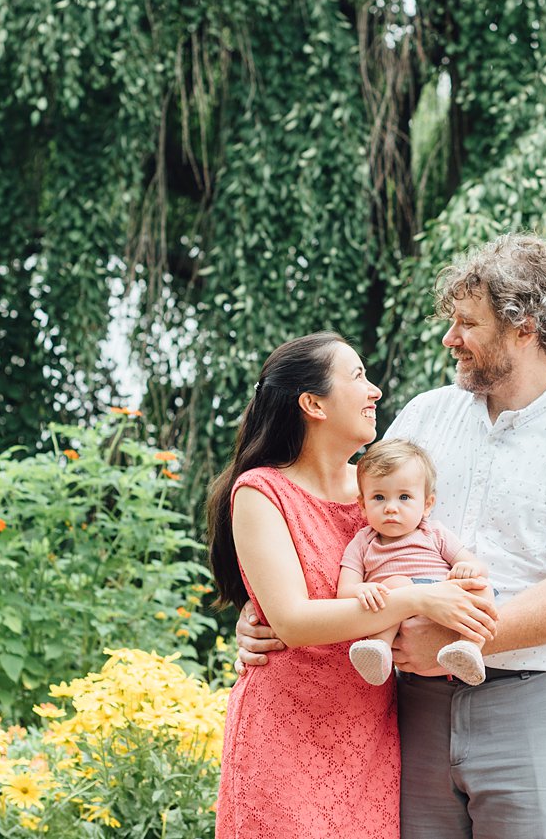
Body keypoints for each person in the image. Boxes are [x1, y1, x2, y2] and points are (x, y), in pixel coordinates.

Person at [238, 234, 546, 839]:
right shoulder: (425, 417)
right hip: (411, 709)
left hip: (532, 705)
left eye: (466, 324)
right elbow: (342, 524)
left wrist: (460, 641)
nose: (449, 338)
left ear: (523, 328)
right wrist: (268, 609)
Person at [207, 331, 499, 839]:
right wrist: (413, 597)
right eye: (358, 376)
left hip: (370, 737)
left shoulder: (380, 491)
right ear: (313, 403)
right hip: (283, 735)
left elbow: (430, 554)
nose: (375, 392)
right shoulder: (261, 491)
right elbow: (293, 621)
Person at [339, 438, 492, 687]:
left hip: (444, 602)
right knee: (397, 583)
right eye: (379, 497)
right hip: (399, 613)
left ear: (427, 504)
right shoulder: (363, 541)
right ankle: (379, 649)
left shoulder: (434, 533)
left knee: (479, 585)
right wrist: (361, 589)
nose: (391, 508)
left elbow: (477, 567)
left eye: (404, 497)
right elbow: (344, 591)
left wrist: (468, 569)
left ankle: (468, 648)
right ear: (362, 505)